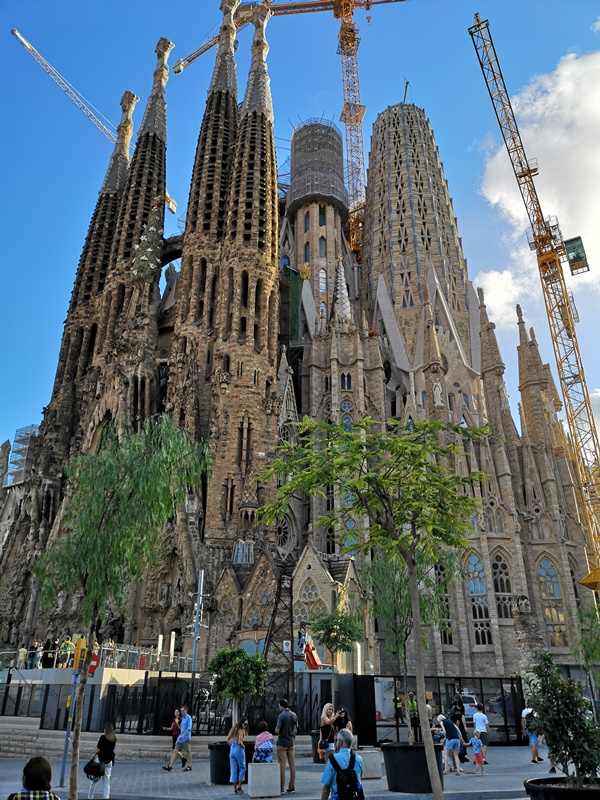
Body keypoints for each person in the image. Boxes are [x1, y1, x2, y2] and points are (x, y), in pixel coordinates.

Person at [320, 728, 363, 800]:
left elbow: (325, 790)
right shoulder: (358, 759)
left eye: (336, 740)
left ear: (340, 742)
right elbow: (359, 779)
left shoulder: (332, 760)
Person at [87, 722, 116, 799]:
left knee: (94, 780)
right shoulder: (114, 739)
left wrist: (99, 741)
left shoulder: (103, 738)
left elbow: (97, 750)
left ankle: (90, 797)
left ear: (106, 730)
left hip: (100, 762)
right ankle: (106, 797)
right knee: (106, 781)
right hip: (109, 761)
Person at [275, 698, 298, 794]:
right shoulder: (294, 715)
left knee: (282, 766)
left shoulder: (281, 716)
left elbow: (277, 730)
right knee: (292, 766)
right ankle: (291, 786)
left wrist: (277, 730)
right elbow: (295, 730)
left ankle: (281, 788)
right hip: (291, 743)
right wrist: (293, 739)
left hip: (282, 743)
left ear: (282, 706)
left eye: (279, 706)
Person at [163, 704, 192, 771]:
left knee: (188, 751)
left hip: (186, 737)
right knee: (175, 750)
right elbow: (181, 728)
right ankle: (170, 766)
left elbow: (189, 728)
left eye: (183, 711)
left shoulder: (188, 718)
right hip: (180, 738)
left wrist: (183, 735)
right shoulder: (182, 719)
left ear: (186, 711)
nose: (181, 712)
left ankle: (190, 765)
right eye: (181, 711)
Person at [227, 717, 248, 794]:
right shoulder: (241, 731)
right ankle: (239, 787)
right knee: (242, 768)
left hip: (232, 749)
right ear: (241, 723)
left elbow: (227, 740)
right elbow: (239, 742)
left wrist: (232, 746)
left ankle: (235, 788)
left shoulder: (233, 730)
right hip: (239, 749)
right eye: (245, 724)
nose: (246, 726)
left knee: (233, 769)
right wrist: (243, 747)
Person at [522, 699, 543, 765]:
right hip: (534, 729)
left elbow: (522, 721)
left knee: (534, 742)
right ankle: (533, 759)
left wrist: (523, 730)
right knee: (534, 743)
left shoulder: (524, 711)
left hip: (527, 728)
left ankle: (538, 757)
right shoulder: (535, 711)